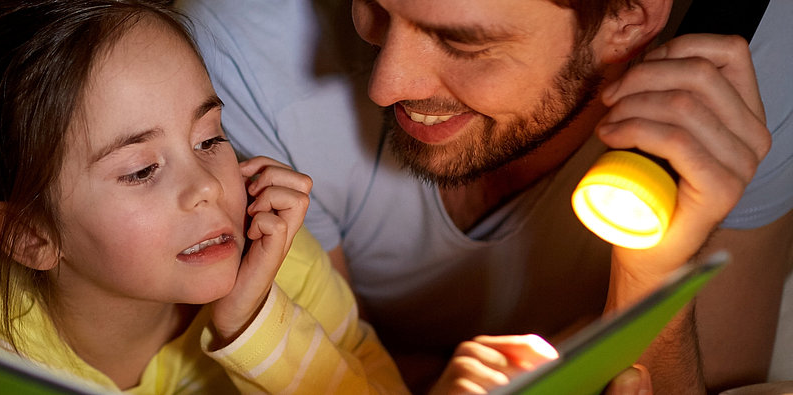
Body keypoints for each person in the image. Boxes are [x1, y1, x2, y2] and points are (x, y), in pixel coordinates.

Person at [179, 0, 791, 392]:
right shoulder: (239, 52)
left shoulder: (739, 82)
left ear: (627, 18)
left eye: (463, 43)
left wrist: (656, 272)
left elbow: (719, 381)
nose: (388, 83)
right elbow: (330, 373)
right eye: (371, 6)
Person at [0, 0, 409, 393]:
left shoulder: (283, 264)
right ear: (30, 235)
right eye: (142, 169)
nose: (209, 186)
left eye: (210, 139)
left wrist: (255, 330)